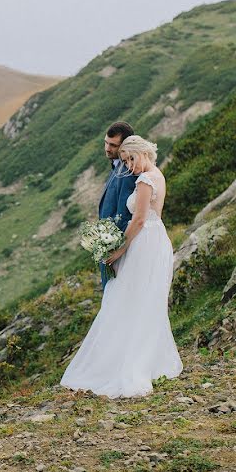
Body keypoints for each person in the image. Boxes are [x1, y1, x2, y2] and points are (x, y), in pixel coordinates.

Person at [60, 135, 183, 398]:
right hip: (156, 240)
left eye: (131, 158)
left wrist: (118, 250)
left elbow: (137, 221)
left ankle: (125, 364)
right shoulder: (158, 175)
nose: (129, 165)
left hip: (142, 243)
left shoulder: (144, 180)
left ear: (143, 153)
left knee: (126, 299)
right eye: (125, 160)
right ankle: (148, 361)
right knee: (144, 301)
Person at [97, 122, 137, 289]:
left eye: (113, 145)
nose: (107, 148)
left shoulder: (127, 172)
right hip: (108, 240)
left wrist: (110, 246)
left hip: (116, 246)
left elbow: (124, 213)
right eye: (106, 142)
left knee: (116, 290)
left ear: (124, 146)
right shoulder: (116, 166)